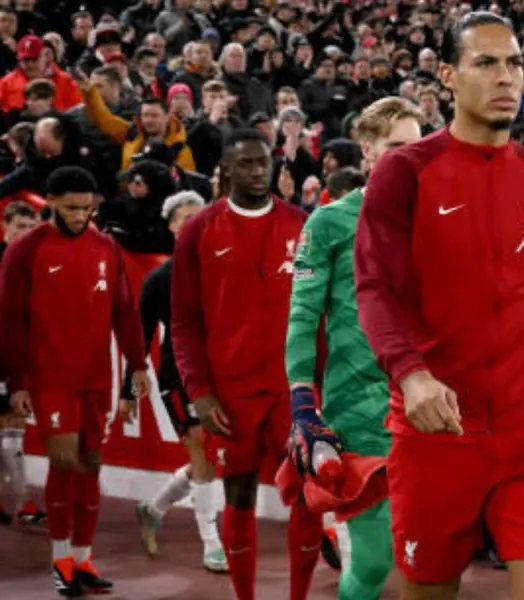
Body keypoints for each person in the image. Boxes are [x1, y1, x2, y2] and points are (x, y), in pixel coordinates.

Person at [355, 12, 524, 600]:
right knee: (426, 590)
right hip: (435, 433)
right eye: (486, 63)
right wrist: (413, 374)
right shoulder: (404, 173)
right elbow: (375, 289)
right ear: (449, 77)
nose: (506, 78)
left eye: (515, 64)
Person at [170, 129, 318, 600]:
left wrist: (319, 386)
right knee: (240, 495)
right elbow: (184, 322)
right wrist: (200, 391)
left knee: (307, 496)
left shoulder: (302, 224)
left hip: (291, 388)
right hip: (229, 391)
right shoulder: (198, 230)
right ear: (226, 170)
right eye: (247, 164)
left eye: (264, 164)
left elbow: (321, 314)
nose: (258, 172)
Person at [285, 96, 423, 600]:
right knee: (372, 560)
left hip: (433, 404)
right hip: (360, 410)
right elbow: (302, 317)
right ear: (368, 153)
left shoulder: (442, 220)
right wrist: (303, 399)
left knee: (431, 556)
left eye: (418, 147)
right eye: (396, 148)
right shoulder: (327, 224)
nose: (411, 158)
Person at [0, 166, 150, 597]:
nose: (81, 215)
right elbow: (10, 320)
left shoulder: (106, 247)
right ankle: (60, 559)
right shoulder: (26, 250)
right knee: (64, 461)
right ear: (50, 204)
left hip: (95, 377)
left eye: (87, 208)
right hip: (50, 378)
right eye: (71, 208)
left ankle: (83, 558)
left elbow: (124, 311)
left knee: (90, 465)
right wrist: (19, 381)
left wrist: (138, 365)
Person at [130, 190, 227, 572]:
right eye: (184, 217)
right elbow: (140, 336)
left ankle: (152, 509)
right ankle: (211, 542)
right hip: (179, 376)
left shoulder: (224, 267)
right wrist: (127, 390)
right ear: (171, 227)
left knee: (208, 459)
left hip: (221, 373)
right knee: (201, 449)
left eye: (198, 216)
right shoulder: (160, 279)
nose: (192, 223)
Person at [0, 200, 44, 526]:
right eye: (19, 228)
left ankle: (23, 500)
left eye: (31, 229)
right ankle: (23, 498)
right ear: (5, 227)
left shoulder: (41, 262)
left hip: (24, 355)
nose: (25, 235)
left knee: (14, 429)